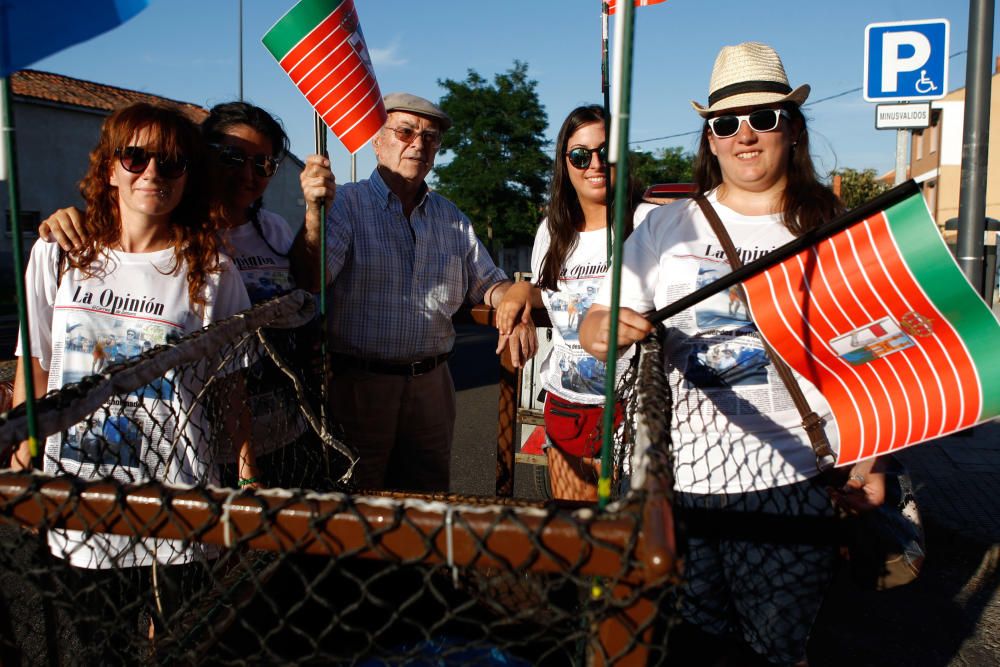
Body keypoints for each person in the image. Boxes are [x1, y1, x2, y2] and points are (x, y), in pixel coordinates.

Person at [580, 42, 885, 666]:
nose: (745, 135)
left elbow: (874, 350)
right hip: (682, 478)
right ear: (710, 139)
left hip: (793, 478)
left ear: (791, 128)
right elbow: (598, 320)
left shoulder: (832, 225)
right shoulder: (666, 230)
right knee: (693, 646)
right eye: (726, 123)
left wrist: (872, 459)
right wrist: (604, 328)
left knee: (779, 648)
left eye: (764, 118)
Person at [10, 102, 254, 653]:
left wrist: (245, 475)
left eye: (170, 163)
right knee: (102, 645)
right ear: (109, 166)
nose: (151, 174)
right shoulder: (57, 253)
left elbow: (230, 384)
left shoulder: (212, 270)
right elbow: (36, 359)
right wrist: (24, 444)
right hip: (81, 491)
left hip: (177, 493)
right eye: (135, 156)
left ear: (188, 176)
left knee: (180, 643)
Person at [38, 101, 327, 489]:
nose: (247, 173)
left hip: (272, 427)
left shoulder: (270, 229)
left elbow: (308, 281)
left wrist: (314, 211)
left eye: (263, 164)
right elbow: (42, 353)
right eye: (232, 157)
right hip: (187, 442)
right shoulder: (158, 235)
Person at [295, 92, 536, 493]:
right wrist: (314, 215)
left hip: (433, 387)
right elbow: (309, 277)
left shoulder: (451, 217)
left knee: (427, 507)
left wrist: (517, 296)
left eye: (431, 137)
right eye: (405, 132)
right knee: (357, 509)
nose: (419, 144)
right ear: (376, 140)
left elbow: (490, 284)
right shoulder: (345, 206)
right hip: (360, 387)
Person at [494, 104, 648, 501]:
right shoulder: (552, 229)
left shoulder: (645, 221)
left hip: (629, 408)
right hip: (566, 404)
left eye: (605, 152)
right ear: (566, 163)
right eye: (580, 155)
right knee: (575, 534)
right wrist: (518, 293)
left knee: (625, 538)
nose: (594, 164)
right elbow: (546, 290)